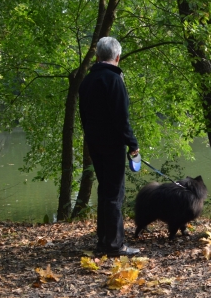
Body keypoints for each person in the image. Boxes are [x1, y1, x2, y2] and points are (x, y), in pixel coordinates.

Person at [78, 36, 140, 256]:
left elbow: (84, 116)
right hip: (112, 145)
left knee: (105, 191)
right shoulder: (114, 80)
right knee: (114, 194)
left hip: (94, 144)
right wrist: (133, 145)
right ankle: (115, 246)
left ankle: (103, 241)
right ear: (117, 56)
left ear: (97, 56)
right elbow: (121, 118)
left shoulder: (87, 81)